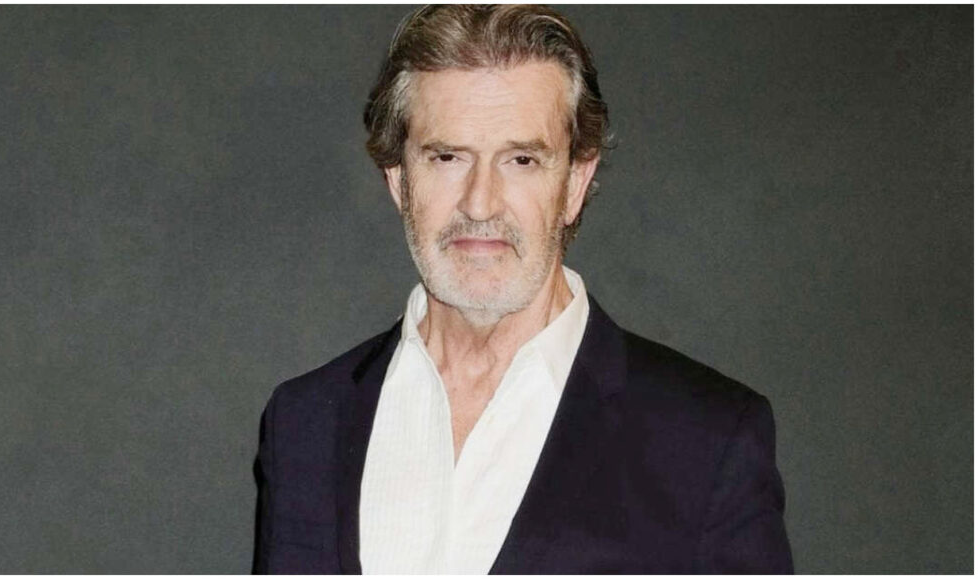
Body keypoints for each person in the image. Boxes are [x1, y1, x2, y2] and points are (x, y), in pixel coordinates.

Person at [253, 5, 792, 574]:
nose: (480, 203)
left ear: (575, 182)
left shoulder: (709, 440)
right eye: (447, 157)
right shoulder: (302, 424)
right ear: (399, 179)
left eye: (521, 160)